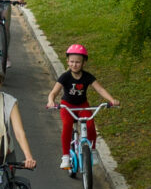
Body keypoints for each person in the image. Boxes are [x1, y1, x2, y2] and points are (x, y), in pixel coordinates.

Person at [45, 43, 121, 174]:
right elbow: (53, 92)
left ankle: (92, 150)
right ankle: (65, 156)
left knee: (90, 126)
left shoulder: (87, 77)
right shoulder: (65, 77)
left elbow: (100, 89)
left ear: (84, 63)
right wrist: (51, 101)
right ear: (67, 61)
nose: (74, 64)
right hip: (67, 106)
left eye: (78, 62)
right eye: (72, 61)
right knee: (67, 126)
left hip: (82, 105)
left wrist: (111, 100)